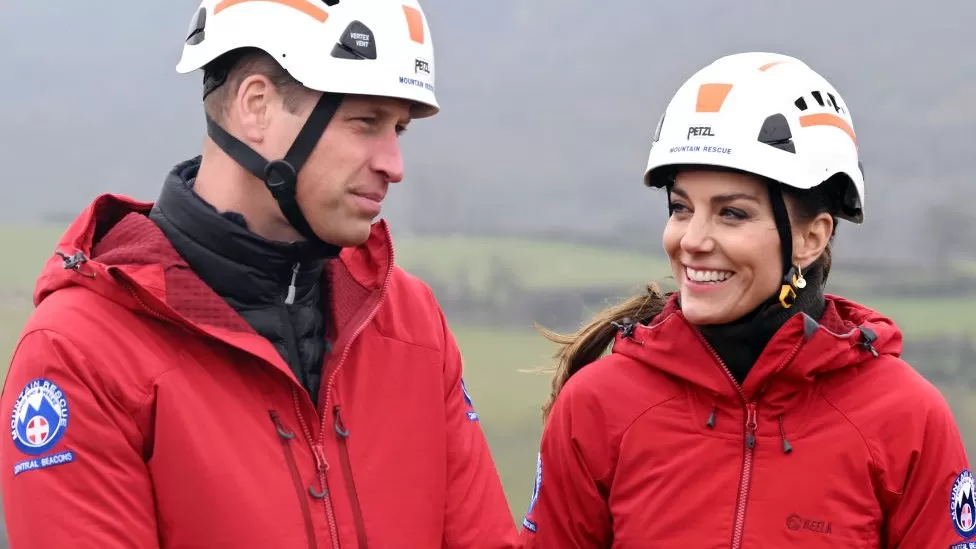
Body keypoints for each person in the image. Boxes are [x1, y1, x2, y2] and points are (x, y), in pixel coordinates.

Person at [0, 0, 520, 547]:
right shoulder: (80, 352)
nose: (394, 164)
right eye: (365, 122)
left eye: (399, 129)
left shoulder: (411, 322)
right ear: (257, 107)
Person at [518, 51, 973, 548]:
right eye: (680, 208)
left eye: (731, 213)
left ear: (811, 238)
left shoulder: (906, 417)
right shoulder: (598, 405)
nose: (692, 239)